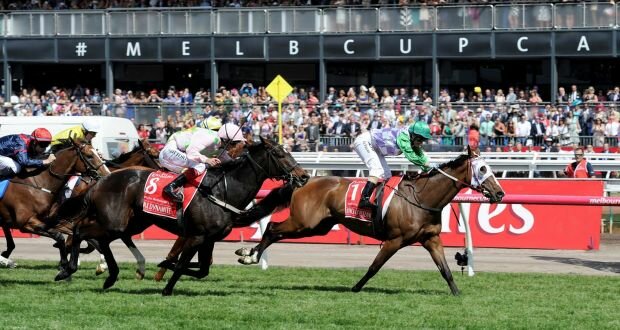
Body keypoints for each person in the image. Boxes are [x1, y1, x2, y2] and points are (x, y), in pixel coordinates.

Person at [352, 121, 432, 210]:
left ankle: (378, 201)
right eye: (420, 139)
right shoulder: (404, 137)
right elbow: (411, 156)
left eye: (423, 140)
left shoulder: (412, 139)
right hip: (365, 141)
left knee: (387, 174)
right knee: (377, 170)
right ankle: (363, 200)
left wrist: (429, 167)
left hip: (375, 147)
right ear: (413, 135)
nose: (421, 142)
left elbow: (420, 155)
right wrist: (424, 164)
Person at [160, 123, 246, 203]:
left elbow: (226, 159)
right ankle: (171, 187)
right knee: (200, 166)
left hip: (179, 152)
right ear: (226, 140)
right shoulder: (212, 139)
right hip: (169, 152)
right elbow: (191, 152)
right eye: (234, 143)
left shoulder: (219, 143)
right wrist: (207, 160)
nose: (235, 146)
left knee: (202, 166)